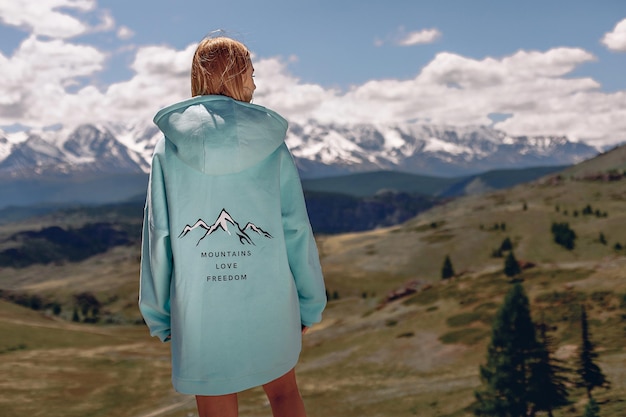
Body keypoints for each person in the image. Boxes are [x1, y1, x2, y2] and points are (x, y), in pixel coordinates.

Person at [138, 36, 327, 417]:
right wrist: (309, 303)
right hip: (271, 299)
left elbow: (159, 236)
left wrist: (160, 314)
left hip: (199, 307)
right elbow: (294, 229)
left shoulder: (168, 148)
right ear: (237, 76)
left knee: (216, 407)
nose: (255, 84)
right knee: (285, 394)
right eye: (251, 74)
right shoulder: (272, 144)